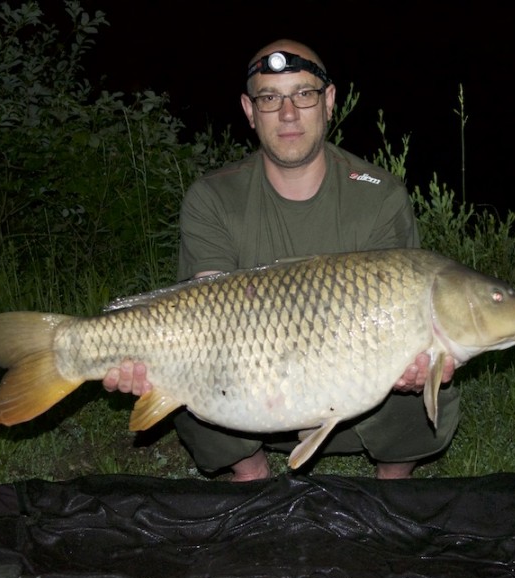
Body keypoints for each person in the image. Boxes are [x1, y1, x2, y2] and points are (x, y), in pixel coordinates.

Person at [103, 39, 457, 481]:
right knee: (187, 372)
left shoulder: (380, 195)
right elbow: (205, 310)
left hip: (359, 396)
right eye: (270, 98)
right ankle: (251, 473)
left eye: (304, 94)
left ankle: (393, 482)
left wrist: (416, 363)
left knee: (431, 380)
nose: (288, 113)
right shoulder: (213, 197)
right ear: (250, 111)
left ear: (329, 101)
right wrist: (149, 361)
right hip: (247, 398)